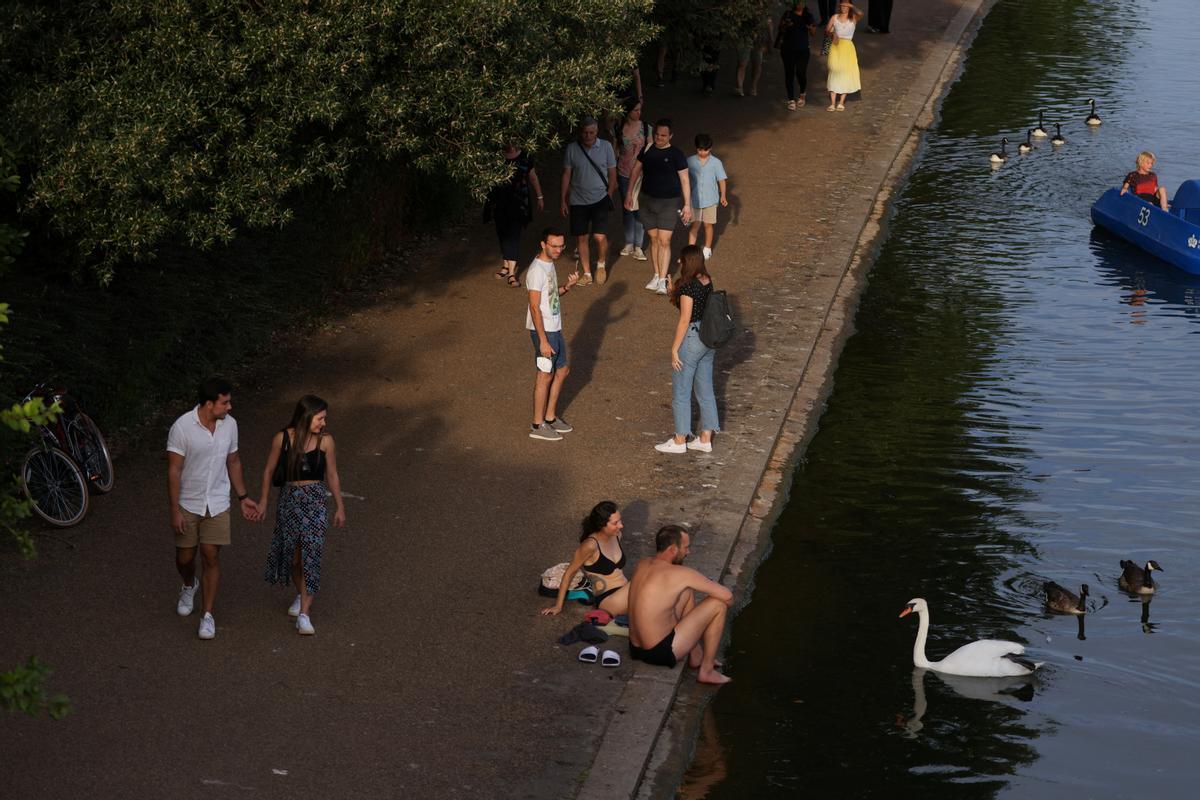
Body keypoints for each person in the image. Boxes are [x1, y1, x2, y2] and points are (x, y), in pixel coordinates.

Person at [166, 377, 260, 640]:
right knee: (185, 557)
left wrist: (243, 497)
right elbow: (174, 470)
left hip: (218, 501)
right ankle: (188, 584)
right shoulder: (182, 427)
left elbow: (234, 461)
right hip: (188, 501)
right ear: (209, 403)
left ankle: (207, 615)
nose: (230, 407)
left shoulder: (230, 426)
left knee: (210, 556)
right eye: (225, 402)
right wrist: (174, 510)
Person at [258, 395, 346, 635]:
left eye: (324, 418)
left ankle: (305, 615)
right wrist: (263, 501)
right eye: (320, 418)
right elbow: (268, 471)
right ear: (307, 416)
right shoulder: (283, 438)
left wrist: (340, 506)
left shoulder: (326, 442)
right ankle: (302, 593)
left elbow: (332, 475)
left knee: (311, 556)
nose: (323, 423)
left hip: (315, 501)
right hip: (289, 501)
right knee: (294, 558)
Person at [627, 525, 732, 685]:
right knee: (718, 605)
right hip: (660, 652)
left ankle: (696, 654)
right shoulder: (680, 573)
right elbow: (728, 596)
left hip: (635, 648)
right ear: (673, 549)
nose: (688, 552)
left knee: (686, 591)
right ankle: (707, 671)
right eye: (686, 547)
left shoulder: (643, 564)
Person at [656, 245, 719, 454]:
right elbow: (696, 308)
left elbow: (685, 320)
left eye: (681, 260)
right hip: (708, 339)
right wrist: (673, 293)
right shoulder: (706, 281)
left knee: (681, 392)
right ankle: (705, 438)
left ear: (687, 262)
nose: (678, 263)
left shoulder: (688, 286)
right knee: (706, 389)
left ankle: (680, 439)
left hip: (691, 339)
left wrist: (674, 349)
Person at [624, 118, 693, 295]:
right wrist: (629, 193)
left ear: (671, 136)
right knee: (654, 240)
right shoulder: (647, 150)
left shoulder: (677, 154)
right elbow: (635, 171)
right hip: (647, 201)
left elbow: (685, 180)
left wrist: (687, 205)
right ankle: (656, 275)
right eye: (657, 134)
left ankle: (663, 279)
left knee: (665, 240)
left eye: (663, 135)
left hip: (669, 203)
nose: (659, 138)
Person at [526, 227, 581, 441]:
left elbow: (551, 296)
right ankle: (537, 424)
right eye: (554, 246)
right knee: (545, 374)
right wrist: (542, 341)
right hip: (544, 331)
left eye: (561, 246)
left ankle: (549, 417)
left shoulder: (549, 266)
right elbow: (534, 307)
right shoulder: (536, 270)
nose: (558, 250)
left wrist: (567, 287)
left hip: (554, 328)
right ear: (543, 245)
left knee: (562, 370)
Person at [541, 501, 630, 616]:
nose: (621, 525)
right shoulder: (590, 545)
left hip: (624, 592)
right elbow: (569, 573)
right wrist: (558, 606)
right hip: (607, 599)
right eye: (615, 523)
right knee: (643, 574)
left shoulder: (617, 535)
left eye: (620, 520)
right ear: (602, 525)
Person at [560, 117, 617, 286]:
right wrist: (562, 199)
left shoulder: (606, 147)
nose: (588, 136)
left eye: (591, 132)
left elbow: (612, 173)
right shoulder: (572, 149)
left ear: (597, 131)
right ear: (580, 132)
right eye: (585, 132)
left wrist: (610, 194)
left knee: (600, 236)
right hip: (578, 200)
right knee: (582, 238)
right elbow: (566, 175)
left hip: (600, 198)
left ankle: (600, 264)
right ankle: (587, 273)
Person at [487, 143, 544, 287]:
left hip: (519, 202)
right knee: (502, 233)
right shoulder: (496, 157)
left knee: (513, 234)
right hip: (499, 202)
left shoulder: (525, 156)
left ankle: (512, 273)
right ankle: (506, 265)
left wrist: (540, 197)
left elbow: (533, 177)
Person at [612, 100, 651, 262]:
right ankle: (629, 242)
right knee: (627, 209)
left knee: (639, 210)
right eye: (635, 110)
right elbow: (614, 153)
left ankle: (638, 246)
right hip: (624, 174)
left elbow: (650, 150)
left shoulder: (646, 127)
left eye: (639, 110)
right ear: (627, 112)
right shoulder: (618, 128)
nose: (638, 113)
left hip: (641, 175)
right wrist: (612, 176)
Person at [687, 135, 729, 260]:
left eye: (705, 150)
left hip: (711, 200)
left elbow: (721, 180)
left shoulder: (716, 163)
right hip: (695, 199)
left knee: (708, 225)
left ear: (710, 148)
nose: (702, 152)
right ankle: (690, 250)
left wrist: (723, 195)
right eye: (700, 150)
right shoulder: (689, 161)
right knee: (695, 225)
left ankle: (707, 248)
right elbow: (684, 177)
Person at [777, 1, 817, 110]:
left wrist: (810, 28)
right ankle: (790, 99)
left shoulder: (808, 16)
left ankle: (802, 93)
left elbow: (814, 33)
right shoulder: (788, 14)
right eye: (798, 2)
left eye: (802, 2)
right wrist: (786, 25)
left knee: (801, 72)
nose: (800, 4)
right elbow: (780, 28)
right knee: (789, 73)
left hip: (803, 50)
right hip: (788, 49)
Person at [826, 2, 863, 112]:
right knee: (834, 71)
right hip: (836, 47)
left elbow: (861, 13)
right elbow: (827, 30)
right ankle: (832, 103)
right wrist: (832, 34)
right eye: (842, 5)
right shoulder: (835, 17)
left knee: (846, 72)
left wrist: (852, 6)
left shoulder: (853, 18)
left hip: (847, 48)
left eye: (846, 6)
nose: (844, 8)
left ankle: (841, 102)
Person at [735, 15, 773, 97]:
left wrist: (769, 42)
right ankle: (739, 87)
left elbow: (769, 25)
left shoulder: (764, 10)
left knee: (757, 64)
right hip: (745, 38)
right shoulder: (745, 7)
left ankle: (753, 86)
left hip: (759, 41)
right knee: (742, 63)